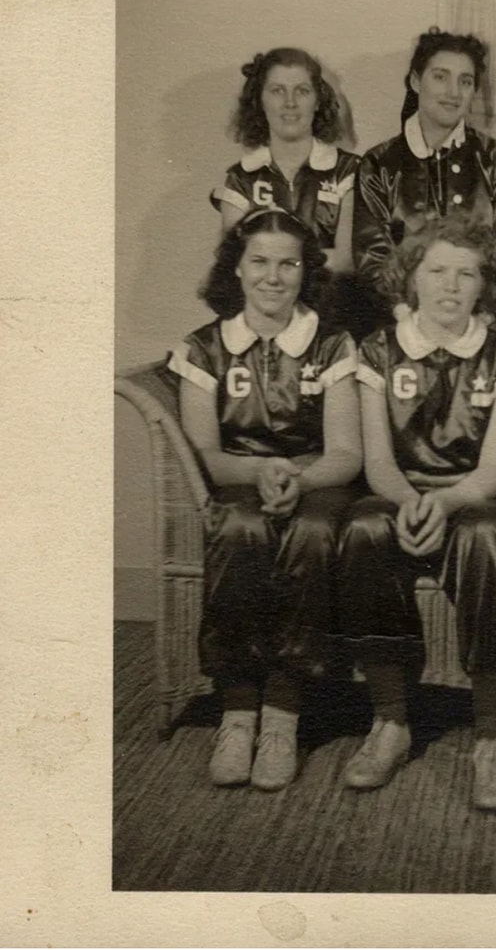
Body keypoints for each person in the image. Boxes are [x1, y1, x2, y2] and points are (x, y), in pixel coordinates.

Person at [168, 208, 362, 791]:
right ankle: (237, 711)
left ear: (307, 272)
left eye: (288, 263)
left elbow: (347, 452)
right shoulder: (205, 347)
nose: (273, 277)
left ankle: (282, 714)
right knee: (237, 529)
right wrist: (260, 472)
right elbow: (204, 450)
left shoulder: (331, 344)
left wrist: (298, 481)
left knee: (311, 532)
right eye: (259, 261)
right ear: (236, 267)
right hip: (239, 478)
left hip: (319, 481)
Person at [335, 216, 496, 810]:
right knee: (363, 529)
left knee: (489, 538)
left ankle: (492, 735)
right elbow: (377, 462)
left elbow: (493, 473)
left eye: (466, 274)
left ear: (483, 287)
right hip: (396, 491)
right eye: (436, 270)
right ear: (409, 279)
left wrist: (442, 503)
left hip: (470, 497)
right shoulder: (377, 351)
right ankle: (390, 719)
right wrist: (412, 502)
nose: (450, 285)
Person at [354, 28, 496, 334]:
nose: (453, 92)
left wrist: (482, 320)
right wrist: (407, 316)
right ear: (416, 81)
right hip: (401, 328)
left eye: (465, 81)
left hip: (484, 330)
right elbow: (372, 257)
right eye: (440, 77)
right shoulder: (378, 164)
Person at [212, 48, 359, 276]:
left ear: (318, 100)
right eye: (277, 91)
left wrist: (270, 263)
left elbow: (346, 260)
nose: (290, 103)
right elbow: (236, 262)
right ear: (260, 100)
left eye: (302, 91)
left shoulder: (350, 171)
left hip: (331, 306)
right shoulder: (240, 179)